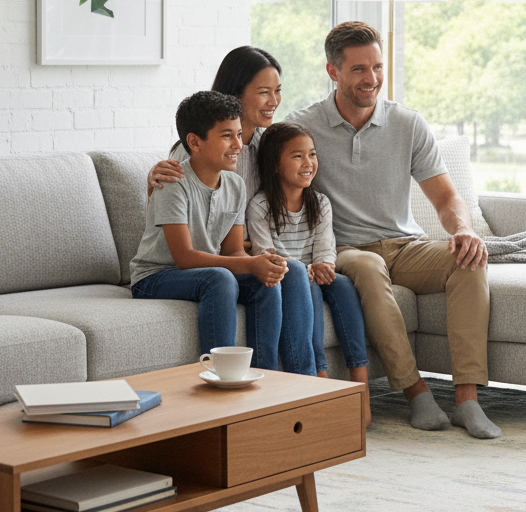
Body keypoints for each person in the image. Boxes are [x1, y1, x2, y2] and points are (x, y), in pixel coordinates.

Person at [287, 21, 501, 439]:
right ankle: (415, 391)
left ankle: (467, 399)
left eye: (378, 67)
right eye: (359, 70)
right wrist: (176, 163)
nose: (372, 79)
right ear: (333, 72)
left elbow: (445, 198)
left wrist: (463, 231)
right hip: (345, 249)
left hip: (406, 245)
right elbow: (244, 145)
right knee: (367, 266)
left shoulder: (407, 123)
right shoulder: (303, 125)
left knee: (469, 259)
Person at [130, 91, 316, 375]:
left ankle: (272, 380)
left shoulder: (235, 184)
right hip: (155, 277)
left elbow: (233, 252)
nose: (238, 145)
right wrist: (250, 264)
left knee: (288, 272)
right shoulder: (172, 181)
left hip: (205, 273)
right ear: (194, 142)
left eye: (239, 135)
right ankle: (223, 378)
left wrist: (263, 263)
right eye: (227, 136)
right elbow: (184, 258)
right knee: (220, 278)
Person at [248, 122, 371, 423]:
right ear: (275, 165)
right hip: (291, 276)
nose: (308, 163)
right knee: (307, 283)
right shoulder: (260, 205)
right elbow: (266, 254)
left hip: (316, 271)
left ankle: (361, 382)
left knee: (342, 285)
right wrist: (304, 269)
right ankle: (321, 376)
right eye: (297, 156)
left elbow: (326, 245)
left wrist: (325, 265)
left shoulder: (320, 203)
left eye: (312, 154)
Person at [147, 46, 283, 198]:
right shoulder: (194, 149)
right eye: (264, 92)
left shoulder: (268, 145)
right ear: (235, 94)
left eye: (277, 90)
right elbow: (165, 209)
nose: (274, 101)